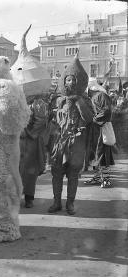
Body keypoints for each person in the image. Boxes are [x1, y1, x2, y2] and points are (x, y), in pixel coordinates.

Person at [48, 54, 94, 215]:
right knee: (57, 173)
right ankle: (56, 202)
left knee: (73, 174)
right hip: (59, 142)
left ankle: (70, 204)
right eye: (68, 79)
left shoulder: (86, 100)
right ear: (64, 81)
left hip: (77, 143)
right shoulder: (58, 100)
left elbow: (89, 118)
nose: (71, 82)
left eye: (74, 79)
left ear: (79, 82)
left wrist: (78, 101)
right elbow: (52, 120)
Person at [19, 94, 49, 208]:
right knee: (15, 170)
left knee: (30, 171)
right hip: (17, 141)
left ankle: (29, 197)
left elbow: (41, 121)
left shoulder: (38, 103)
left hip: (32, 142)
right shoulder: (15, 100)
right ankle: (16, 196)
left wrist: (27, 130)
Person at [84, 78, 115, 188]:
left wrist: (95, 119)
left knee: (102, 153)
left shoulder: (100, 95)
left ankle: (106, 179)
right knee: (96, 154)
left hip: (101, 129)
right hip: (96, 129)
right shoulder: (94, 97)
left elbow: (107, 111)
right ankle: (98, 177)